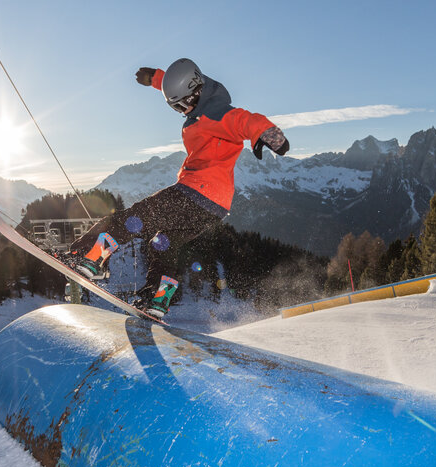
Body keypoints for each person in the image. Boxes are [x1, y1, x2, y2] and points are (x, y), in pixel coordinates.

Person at [67, 58, 290, 317]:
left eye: (183, 104)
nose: (182, 110)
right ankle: (157, 299)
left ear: (196, 91)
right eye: (176, 106)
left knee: (134, 219)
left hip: (195, 192)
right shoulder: (201, 98)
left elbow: (244, 120)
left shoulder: (215, 112)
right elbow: (180, 83)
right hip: (214, 207)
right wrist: (156, 79)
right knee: (163, 243)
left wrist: (269, 133)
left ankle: (84, 256)